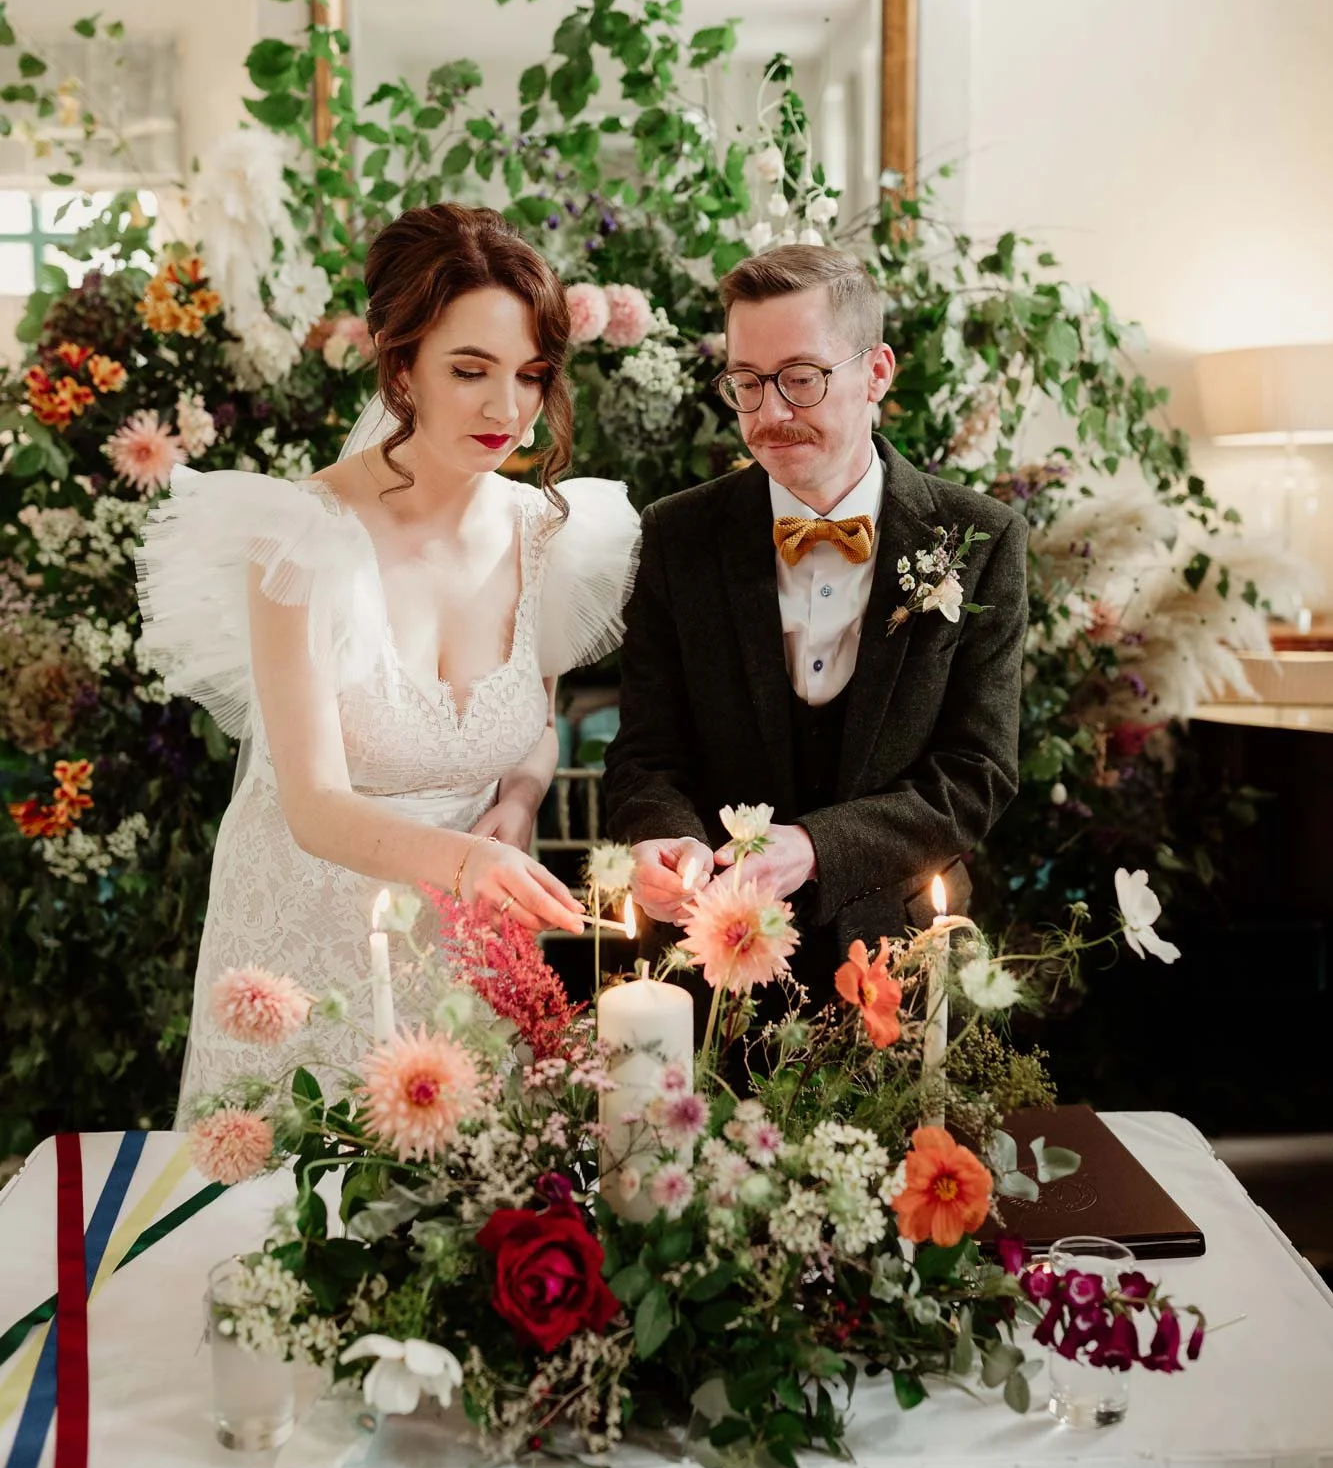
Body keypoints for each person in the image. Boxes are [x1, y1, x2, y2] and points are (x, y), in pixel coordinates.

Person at [138, 204, 638, 1111]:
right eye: (470, 370)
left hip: (467, 936)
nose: (506, 409)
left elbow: (527, 728)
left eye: (531, 374)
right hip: (304, 933)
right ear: (398, 364)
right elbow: (316, 806)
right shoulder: (300, 538)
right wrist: (467, 865)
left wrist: (520, 801)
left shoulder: (548, 536)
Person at [602, 244, 1027, 1007]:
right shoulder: (677, 536)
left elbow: (976, 772)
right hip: (709, 964)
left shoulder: (978, 540)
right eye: (746, 383)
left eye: (801, 379)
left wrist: (815, 849)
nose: (769, 414)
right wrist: (663, 837)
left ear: (876, 373)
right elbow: (645, 755)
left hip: (904, 963)